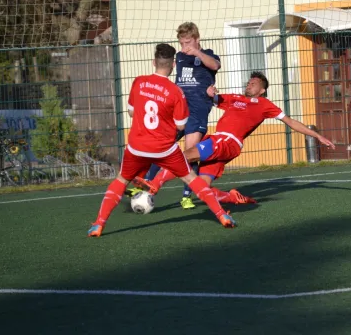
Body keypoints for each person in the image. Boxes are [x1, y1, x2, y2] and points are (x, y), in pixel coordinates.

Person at [87, 44, 235, 238]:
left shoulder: (139, 82)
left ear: (153, 62)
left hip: (137, 146)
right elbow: (181, 125)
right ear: (173, 65)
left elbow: (131, 112)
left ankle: (98, 224)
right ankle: (222, 215)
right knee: (191, 178)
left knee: (121, 180)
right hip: (164, 149)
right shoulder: (176, 92)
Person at [133, 71, 335, 200]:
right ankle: (232, 197)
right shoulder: (235, 98)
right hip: (220, 142)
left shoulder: (265, 105)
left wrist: (316, 136)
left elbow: (290, 122)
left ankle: (154, 185)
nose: (249, 84)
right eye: (249, 82)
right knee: (202, 190)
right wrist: (210, 92)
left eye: (254, 83)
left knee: (184, 156)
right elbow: (213, 98)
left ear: (262, 90)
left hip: (227, 141)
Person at [131, 22, 221, 210]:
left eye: (188, 42)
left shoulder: (208, 54)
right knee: (161, 146)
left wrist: (197, 53)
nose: (184, 47)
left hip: (197, 110)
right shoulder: (179, 57)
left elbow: (215, 65)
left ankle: (186, 196)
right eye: (181, 43)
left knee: (190, 152)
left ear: (197, 39)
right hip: (178, 109)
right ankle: (146, 185)